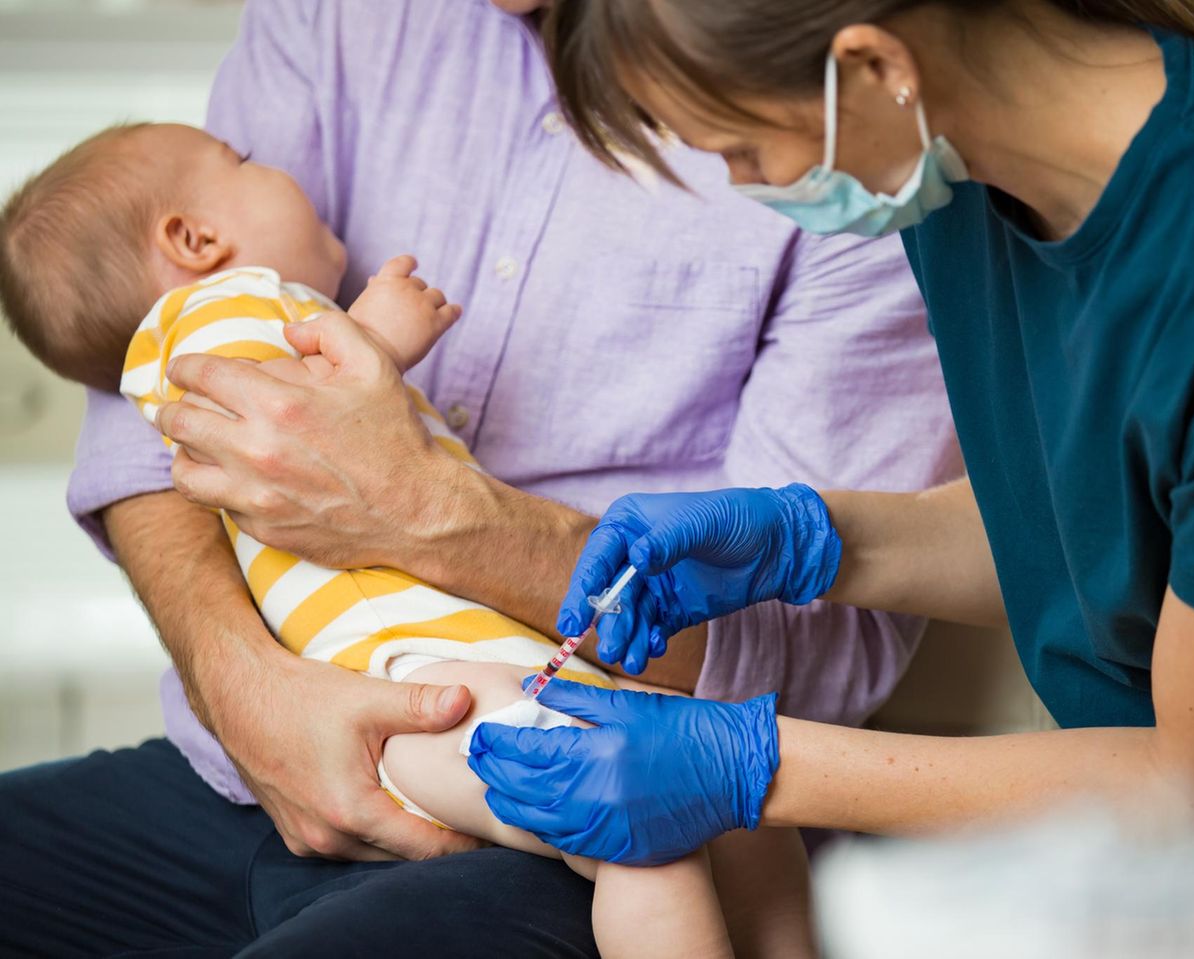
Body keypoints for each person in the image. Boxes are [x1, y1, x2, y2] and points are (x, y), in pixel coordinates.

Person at [0, 1, 957, 955]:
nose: (264, 167)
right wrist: (243, 687)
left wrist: (432, 512)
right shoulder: (329, 24)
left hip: (551, 756)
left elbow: (819, 642)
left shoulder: (818, 119)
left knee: (671, 842)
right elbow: (146, 388)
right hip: (240, 754)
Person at [468, 0, 1194, 868]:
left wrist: (752, 765)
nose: (744, 185)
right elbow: (1112, 526)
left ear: (874, 68)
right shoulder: (957, 174)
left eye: (741, 149)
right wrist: (814, 538)